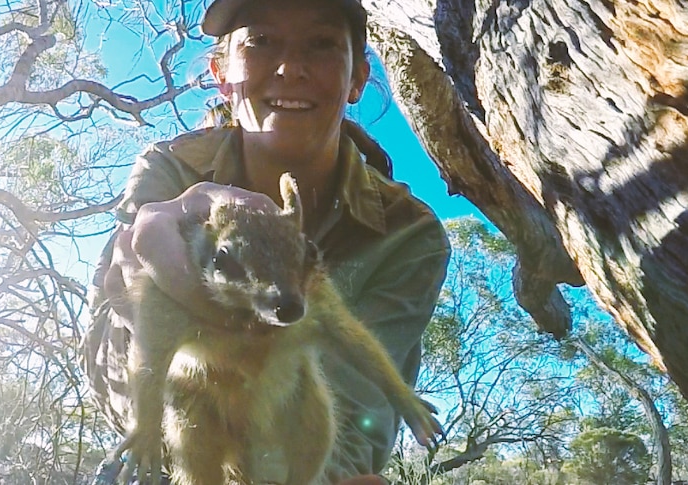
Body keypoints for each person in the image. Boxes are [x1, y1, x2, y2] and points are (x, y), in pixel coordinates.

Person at [81, 0, 451, 483]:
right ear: (221, 73)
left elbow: (357, 410)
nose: (290, 68)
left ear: (358, 77)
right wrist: (152, 303)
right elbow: (112, 365)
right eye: (261, 42)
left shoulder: (409, 232)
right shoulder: (170, 172)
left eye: (321, 44)